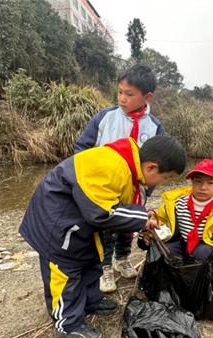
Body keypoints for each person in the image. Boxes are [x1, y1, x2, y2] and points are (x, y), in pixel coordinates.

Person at [19, 136, 186, 338]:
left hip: (78, 225)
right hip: (57, 227)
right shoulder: (111, 165)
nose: (162, 183)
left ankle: (90, 301)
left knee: (91, 263)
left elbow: (115, 205)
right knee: (66, 275)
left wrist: (141, 223)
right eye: (166, 177)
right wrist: (142, 219)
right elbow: (101, 212)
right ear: (152, 167)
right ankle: (67, 323)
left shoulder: (129, 166)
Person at [74, 65, 165, 293]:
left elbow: (159, 163)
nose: (122, 98)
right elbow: (83, 147)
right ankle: (104, 268)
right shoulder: (105, 118)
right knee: (104, 226)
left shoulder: (154, 128)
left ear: (147, 96)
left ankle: (122, 258)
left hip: (135, 189)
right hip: (104, 187)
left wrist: (147, 191)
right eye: (120, 92)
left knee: (128, 225)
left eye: (129, 94)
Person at [140, 160, 213, 312]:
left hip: (211, 261)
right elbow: (161, 221)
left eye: (211, 183)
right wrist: (152, 230)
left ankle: (209, 286)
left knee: (201, 252)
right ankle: (177, 281)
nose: (203, 187)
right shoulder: (176, 203)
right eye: (198, 182)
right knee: (166, 251)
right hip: (183, 245)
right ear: (191, 182)